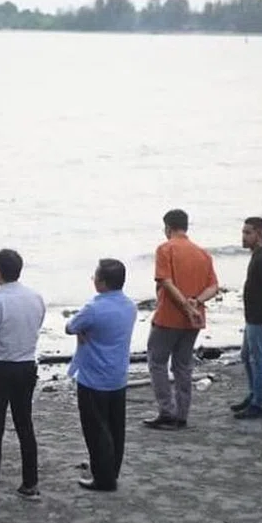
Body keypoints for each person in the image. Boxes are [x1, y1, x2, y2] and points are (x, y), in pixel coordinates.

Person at [0, 249, 45, 508]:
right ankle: (30, 483)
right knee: (25, 425)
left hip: (0, 367)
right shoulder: (36, 298)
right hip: (26, 366)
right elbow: (36, 327)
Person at [65, 259, 137, 492]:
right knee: (116, 427)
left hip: (94, 376)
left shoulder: (94, 308)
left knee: (96, 429)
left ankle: (103, 478)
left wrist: (82, 331)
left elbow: (71, 326)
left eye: (96, 277)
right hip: (117, 374)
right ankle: (110, 470)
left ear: (103, 283)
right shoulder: (129, 306)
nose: (94, 280)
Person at [144, 210, 219, 430]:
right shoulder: (203, 254)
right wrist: (196, 301)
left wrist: (185, 305)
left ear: (168, 227)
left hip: (169, 316)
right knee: (183, 366)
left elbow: (166, 282)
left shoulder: (165, 249)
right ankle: (182, 413)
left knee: (157, 362)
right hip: (193, 320)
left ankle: (167, 411)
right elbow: (213, 286)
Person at [232, 218, 262, 420]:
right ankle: (254, 394)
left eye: (248, 233)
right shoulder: (257, 256)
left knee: (257, 360)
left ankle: (259, 404)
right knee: (246, 356)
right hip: (253, 316)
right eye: (243, 232)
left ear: (259, 233)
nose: (243, 237)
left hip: (260, 318)